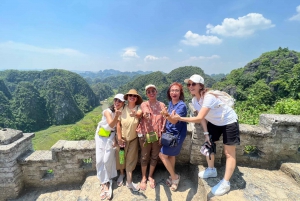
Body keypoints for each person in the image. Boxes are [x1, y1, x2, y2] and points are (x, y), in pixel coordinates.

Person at [172, 74, 240, 196]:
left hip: (228, 121)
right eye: (189, 84)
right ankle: (211, 169)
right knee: (209, 145)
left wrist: (179, 118)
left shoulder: (208, 97)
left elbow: (199, 117)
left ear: (200, 85)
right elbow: (203, 119)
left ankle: (226, 183)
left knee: (229, 153)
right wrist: (206, 133)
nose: (190, 86)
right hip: (215, 122)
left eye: (193, 84)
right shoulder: (194, 100)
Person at [95, 94, 125, 200]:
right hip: (102, 136)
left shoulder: (122, 112)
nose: (117, 102)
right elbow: (112, 125)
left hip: (113, 137)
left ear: (123, 103)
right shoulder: (108, 111)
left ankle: (113, 178)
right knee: (100, 160)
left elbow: (117, 126)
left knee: (108, 159)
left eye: (120, 101)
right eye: (116, 100)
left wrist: (116, 138)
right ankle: (105, 183)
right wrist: (116, 116)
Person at [136, 84, 166, 190]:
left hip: (157, 135)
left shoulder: (162, 105)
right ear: (146, 94)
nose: (151, 93)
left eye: (153, 91)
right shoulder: (144, 104)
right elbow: (144, 111)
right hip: (145, 135)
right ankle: (144, 177)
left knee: (154, 156)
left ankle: (150, 176)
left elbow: (164, 121)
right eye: (149, 92)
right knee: (144, 157)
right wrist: (145, 115)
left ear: (156, 92)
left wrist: (162, 134)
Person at [159, 82, 187, 192]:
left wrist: (166, 115)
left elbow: (174, 121)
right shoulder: (171, 103)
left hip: (177, 135)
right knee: (171, 156)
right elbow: (168, 118)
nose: (174, 92)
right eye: (172, 90)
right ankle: (172, 176)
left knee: (162, 155)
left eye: (176, 90)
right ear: (169, 93)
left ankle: (175, 177)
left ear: (180, 93)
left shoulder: (182, 106)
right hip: (169, 133)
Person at [116, 89, 143, 191]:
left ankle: (129, 182)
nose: (132, 97)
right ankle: (122, 174)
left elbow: (140, 114)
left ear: (137, 98)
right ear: (127, 97)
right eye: (130, 95)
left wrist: (135, 114)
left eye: (134, 96)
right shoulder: (122, 108)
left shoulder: (138, 108)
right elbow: (118, 124)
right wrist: (119, 137)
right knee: (121, 158)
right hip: (122, 139)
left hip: (133, 140)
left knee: (131, 160)